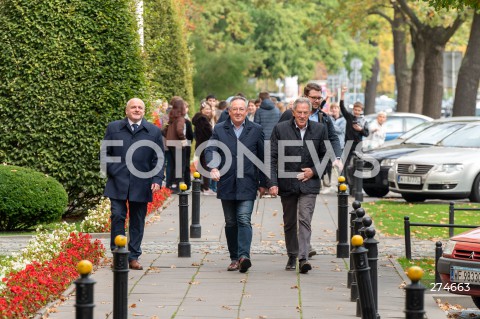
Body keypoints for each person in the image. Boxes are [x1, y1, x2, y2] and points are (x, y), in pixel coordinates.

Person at [205, 96, 266, 273]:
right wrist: (213, 166)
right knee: (231, 222)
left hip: (248, 182)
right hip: (227, 182)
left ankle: (244, 256)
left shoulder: (256, 129)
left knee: (243, 219)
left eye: (241, 109)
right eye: (235, 109)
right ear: (229, 111)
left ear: (247, 111)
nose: (238, 112)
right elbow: (210, 149)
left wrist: (265, 183)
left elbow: (263, 156)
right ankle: (234, 258)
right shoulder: (219, 129)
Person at [102, 98, 164, 270]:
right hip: (117, 182)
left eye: (140, 107)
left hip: (142, 183)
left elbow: (158, 158)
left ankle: (134, 256)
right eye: (133, 107)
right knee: (117, 216)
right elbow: (105, 153)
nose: (137, 110)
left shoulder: (153, 131)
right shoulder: (114, 128)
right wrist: (113, 171)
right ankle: (118, 254)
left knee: (137, 220)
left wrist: (157, 179)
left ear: (144, 111)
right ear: (126, 110)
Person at [268, 97, 328, 274]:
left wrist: (314, 171)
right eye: (299, 112)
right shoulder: (280, 129)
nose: (302, 116)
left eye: (305, 113)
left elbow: (327, 156)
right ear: (293, 112)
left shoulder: (319, 129)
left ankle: (303, 258)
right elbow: (271, 156)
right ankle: (292, 255)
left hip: (309, 184)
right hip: (287, 182)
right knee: (289, 222)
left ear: (310, 113)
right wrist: (272, 182)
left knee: (304, 219)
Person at [339, 87, 369, 189]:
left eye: (358, 110)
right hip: (348, 144)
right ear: (353, 110)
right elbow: (342, 107)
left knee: (357, 165)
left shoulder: (364, 121)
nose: (356, 111)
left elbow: (366, 133)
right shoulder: (349, 117)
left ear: (361, 111)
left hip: (358, 145)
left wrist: (360, 129)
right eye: (355, 110)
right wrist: (342, 94)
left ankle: (356, 186)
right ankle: (345, 183)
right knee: (346, 165)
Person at [321, 102, 346, 193]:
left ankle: (341, 185)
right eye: (333, 108)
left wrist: (330, 124)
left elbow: (340, 130)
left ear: (339, 109)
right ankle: (328, 184)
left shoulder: (343, 120)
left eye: (336, 108)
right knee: (328, 166)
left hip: (339, 145)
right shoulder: (328, 118)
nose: (334, 110)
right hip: (329, 145)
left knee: (339, 165)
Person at [192, 101, 215, 195]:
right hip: (205, 145)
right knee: (205, 166)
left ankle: (199, 187)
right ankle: (206, 187)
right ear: (202, 110)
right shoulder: (203, 120)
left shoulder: (198, 119)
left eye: (209, 109)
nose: (208, 111)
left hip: (200, 144)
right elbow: (210, 132)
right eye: (206, 109)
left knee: (201, 166)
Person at [165, 97, 187, 193]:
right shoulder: (180, 119)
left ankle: (169, 184)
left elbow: (165, 130)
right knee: (179, 166)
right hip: (177, 144)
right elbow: (179, 130)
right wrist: (184, 139)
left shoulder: (171, 118)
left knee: (170, 165)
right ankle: (177, 185)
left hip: (169, 143)